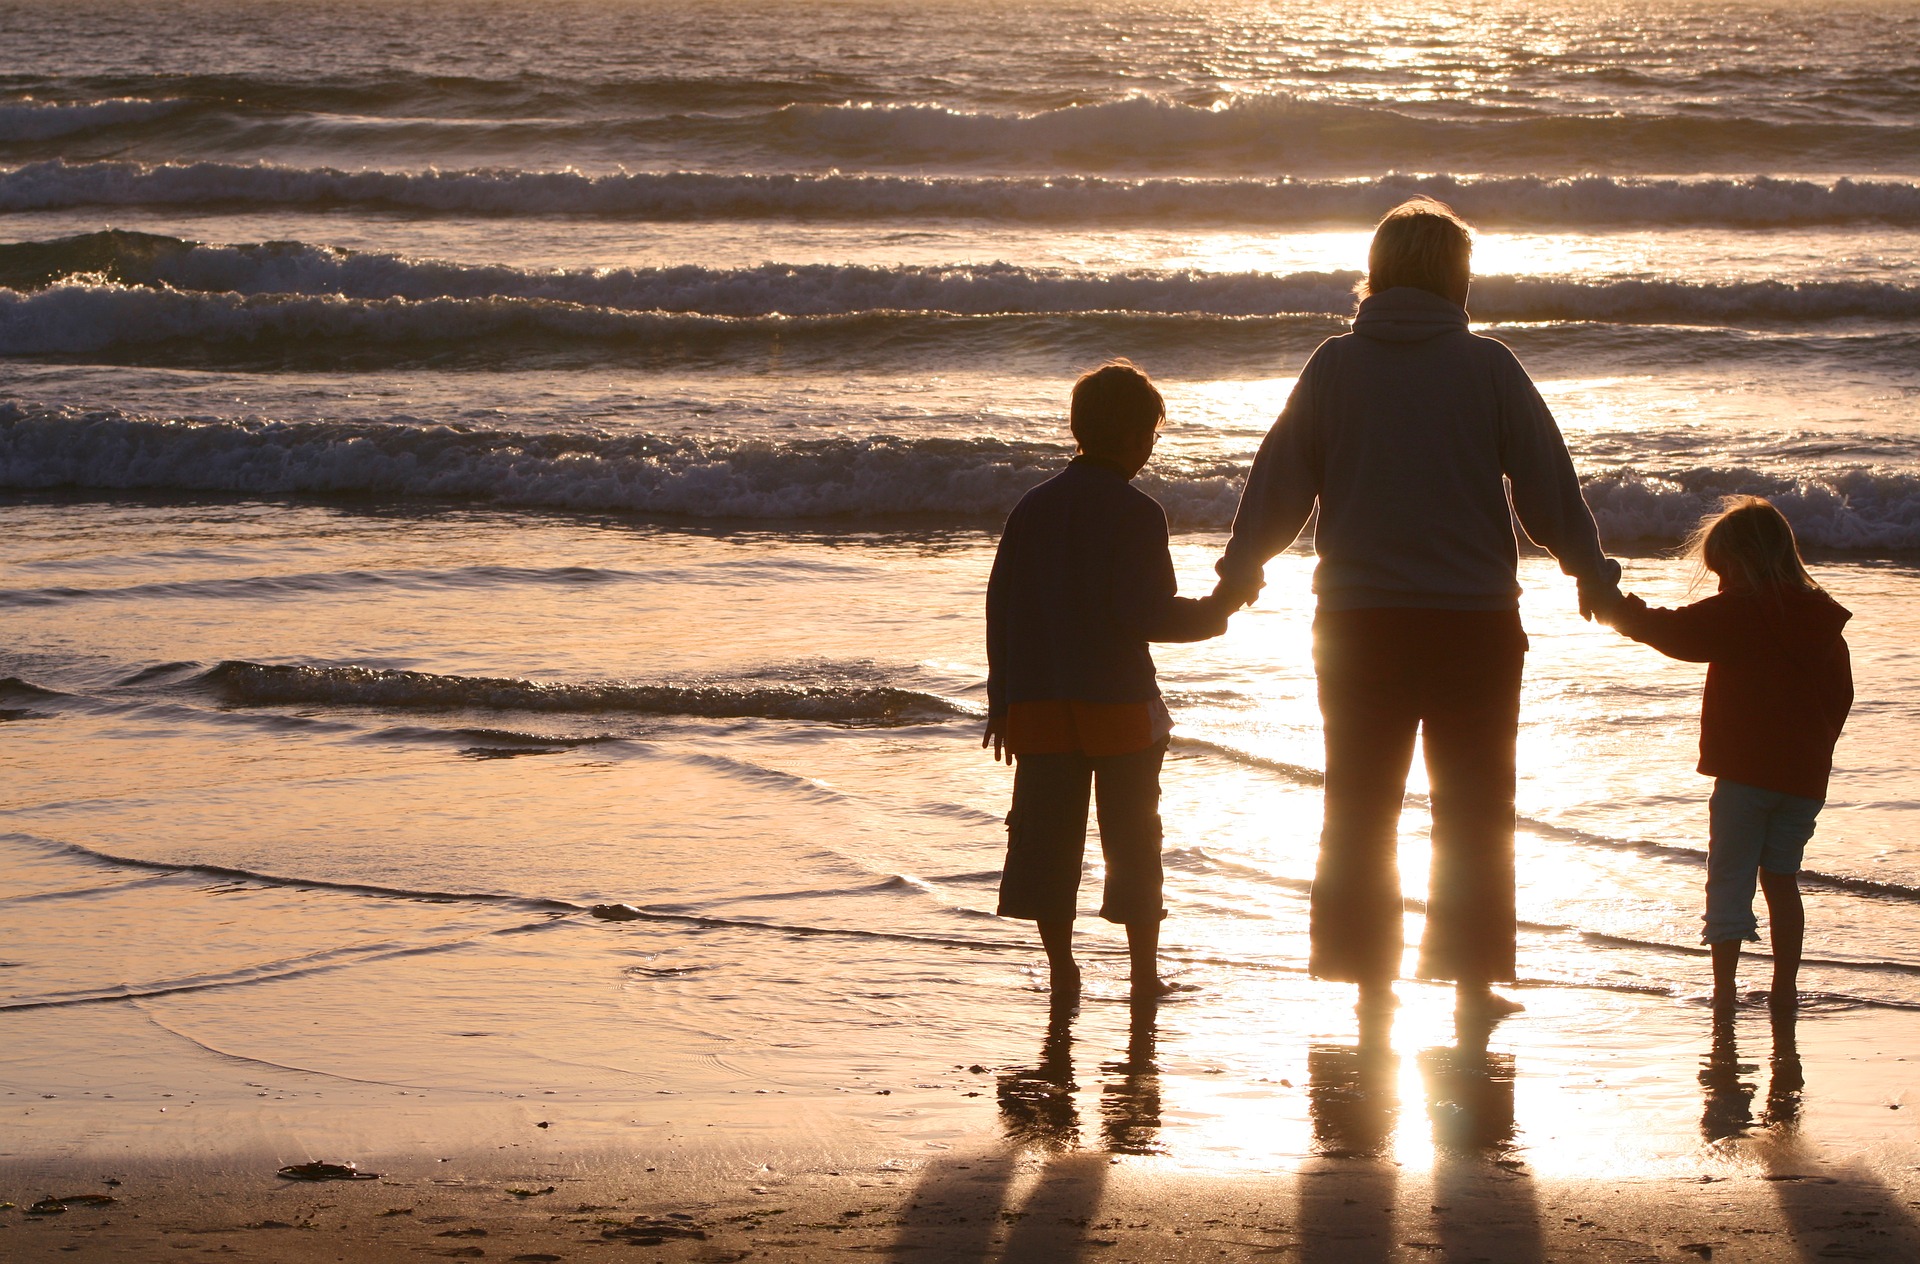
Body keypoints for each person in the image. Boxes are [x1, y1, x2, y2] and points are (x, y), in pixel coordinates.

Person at [1212, 197, 1621, 1018]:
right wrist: (1589, 571)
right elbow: (1547, 484)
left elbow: (1280, 481)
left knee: (1360, 802)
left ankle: (1369, 981)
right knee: (1474, 806)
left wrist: (1239, 571)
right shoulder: (1488, 368)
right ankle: (1471, 983)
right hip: (1472, 621)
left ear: (1380, 273)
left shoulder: (1334, 366)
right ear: (1455, 278)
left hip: (1359, 623)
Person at [984, 360, 1234, 998]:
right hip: (1118, 701)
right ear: (1133, 437)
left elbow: (1001, 604)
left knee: (1047, 840)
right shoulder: (1138, 513)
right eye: (1151, 433)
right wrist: (1219, 611)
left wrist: (1002, 701)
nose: (1151, 446)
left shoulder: (1032, 507)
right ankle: (1143, 975)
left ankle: (1063, 970)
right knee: (1133, 838)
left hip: (1037, 700)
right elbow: (1148, 615)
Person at [1597, 496, 1852, 1012]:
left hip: (1743, 773)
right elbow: (1840, 697)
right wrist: (1813, 748)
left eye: (1722, 571)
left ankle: (1724, 991)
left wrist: (1616, 609)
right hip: (1803, 781)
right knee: (1781, 879)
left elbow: (1674, 631)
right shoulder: (1821, 620)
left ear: (1742, 562)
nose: (1719, 584)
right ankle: (1784, 988)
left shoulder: (1744, 609)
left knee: (1730, 880)